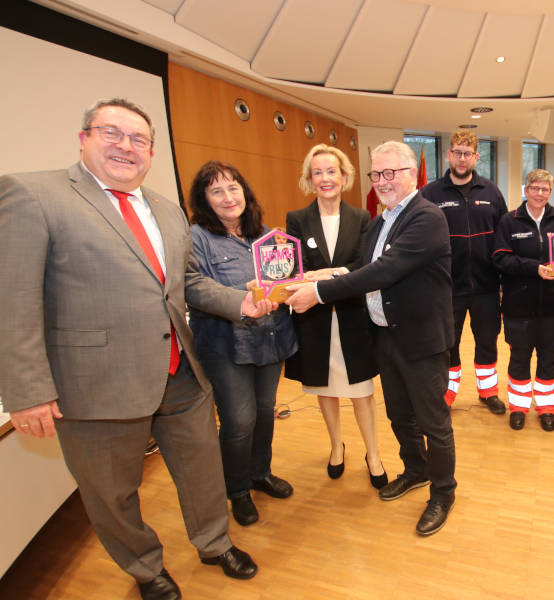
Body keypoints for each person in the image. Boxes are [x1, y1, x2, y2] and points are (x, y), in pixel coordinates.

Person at [0, 98, 268, 600]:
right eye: (111, 133)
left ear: (150, 151)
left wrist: (243, 303)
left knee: (203, 469)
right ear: (84, 138)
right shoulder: (34, 195)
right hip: (94, 385)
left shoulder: (165, 211)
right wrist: (28, 391)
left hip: (181, 373)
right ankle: (146, 569)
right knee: (112, 491)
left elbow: (184, 284)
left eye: (138, 139)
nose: (126, 146)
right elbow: (13, 298)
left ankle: (213, 543)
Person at [286, 141, 456, 537]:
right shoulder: (380, 222)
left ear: (411, 174)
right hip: (386, 336)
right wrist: (322, 275)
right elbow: (362, 266)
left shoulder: (426, 217)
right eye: (376, 174)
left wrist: (321, 292)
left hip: (422, 340)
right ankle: (415, 470)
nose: (382, 182)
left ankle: (443, 493)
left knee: (434, 422)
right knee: (399, 415)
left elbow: (385, 270)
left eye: (390, 173)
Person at [188, 161, 298, 527]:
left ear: (244, 192)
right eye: (216, 191)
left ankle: (259, 473)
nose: (227, 197)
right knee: (239, 421)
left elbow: (281, 281)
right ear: (205, 200)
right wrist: (245, 298)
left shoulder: (266, 235)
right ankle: (236, 491)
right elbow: (197, 290)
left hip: (270, 337)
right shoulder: (195, 238)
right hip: (225, 344)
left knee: (265, 412)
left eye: (233, 188)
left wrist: (289, 285)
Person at [283, 144, 386, 489]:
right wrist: (330, 273)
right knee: (325, 388)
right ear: (309, 180)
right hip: (315, 319)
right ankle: (336, 447)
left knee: (361, 390)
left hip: (352, 316)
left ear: (344, 177)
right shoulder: (297, 219)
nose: (325, 178)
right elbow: (297, 270)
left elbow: (365, 266)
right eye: (318, 172)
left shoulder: (362, 218)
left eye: (332, 171)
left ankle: (373, 454)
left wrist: (330, 273)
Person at [420, 130, 507, 414]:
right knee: (449, 342)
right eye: (457, 152)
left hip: (486, 286)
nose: (461, 158)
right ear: (448, 155)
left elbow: (503, 237)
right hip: (447, 287)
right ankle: (447, 393)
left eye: (467, 153)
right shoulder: (430, 194)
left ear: (476, 157)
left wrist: (504, 279)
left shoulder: (491, 192)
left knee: (487, 341)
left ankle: (488, 392)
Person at [492, 169, 554, 431]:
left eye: (545, 189)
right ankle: (518, 407)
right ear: (525, 190)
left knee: (549, 358)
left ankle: (547, 409)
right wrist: (534, 267)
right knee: (520, 359)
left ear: (550, 192)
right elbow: (500, 258)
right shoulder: (509, 221)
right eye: (534, 188)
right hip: (519, 307)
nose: (539, 193)